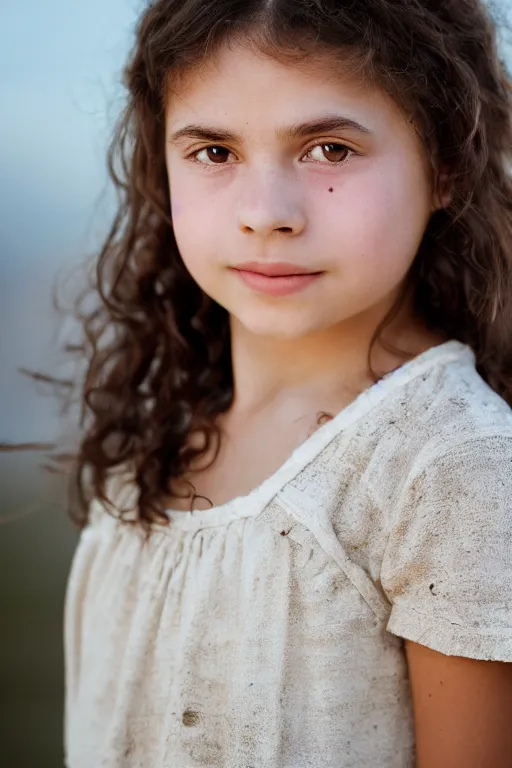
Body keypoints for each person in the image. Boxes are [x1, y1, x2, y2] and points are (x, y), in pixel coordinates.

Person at [62, 0, 512, 765]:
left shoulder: (450, 466)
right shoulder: (160, 424)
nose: (265, 213)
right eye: (213, 152)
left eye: (330, 150)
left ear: (446, 166)